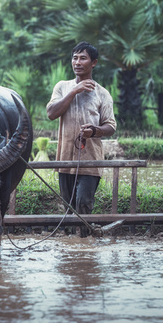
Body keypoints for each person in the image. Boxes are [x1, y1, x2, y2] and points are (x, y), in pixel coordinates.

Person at [46, 41, 117, 236]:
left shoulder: (102, 93)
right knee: (68, 208)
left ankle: (83, 243)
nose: (77, 62)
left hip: (90, 161)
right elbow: (51, 113)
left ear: (93, 63)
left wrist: (94, 131)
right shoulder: (62, 87)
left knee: (84, 204)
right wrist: (74, 91)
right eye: (75, 58)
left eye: (83, 58)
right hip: (65, 159)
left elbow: (110, 126)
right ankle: (72, 247)